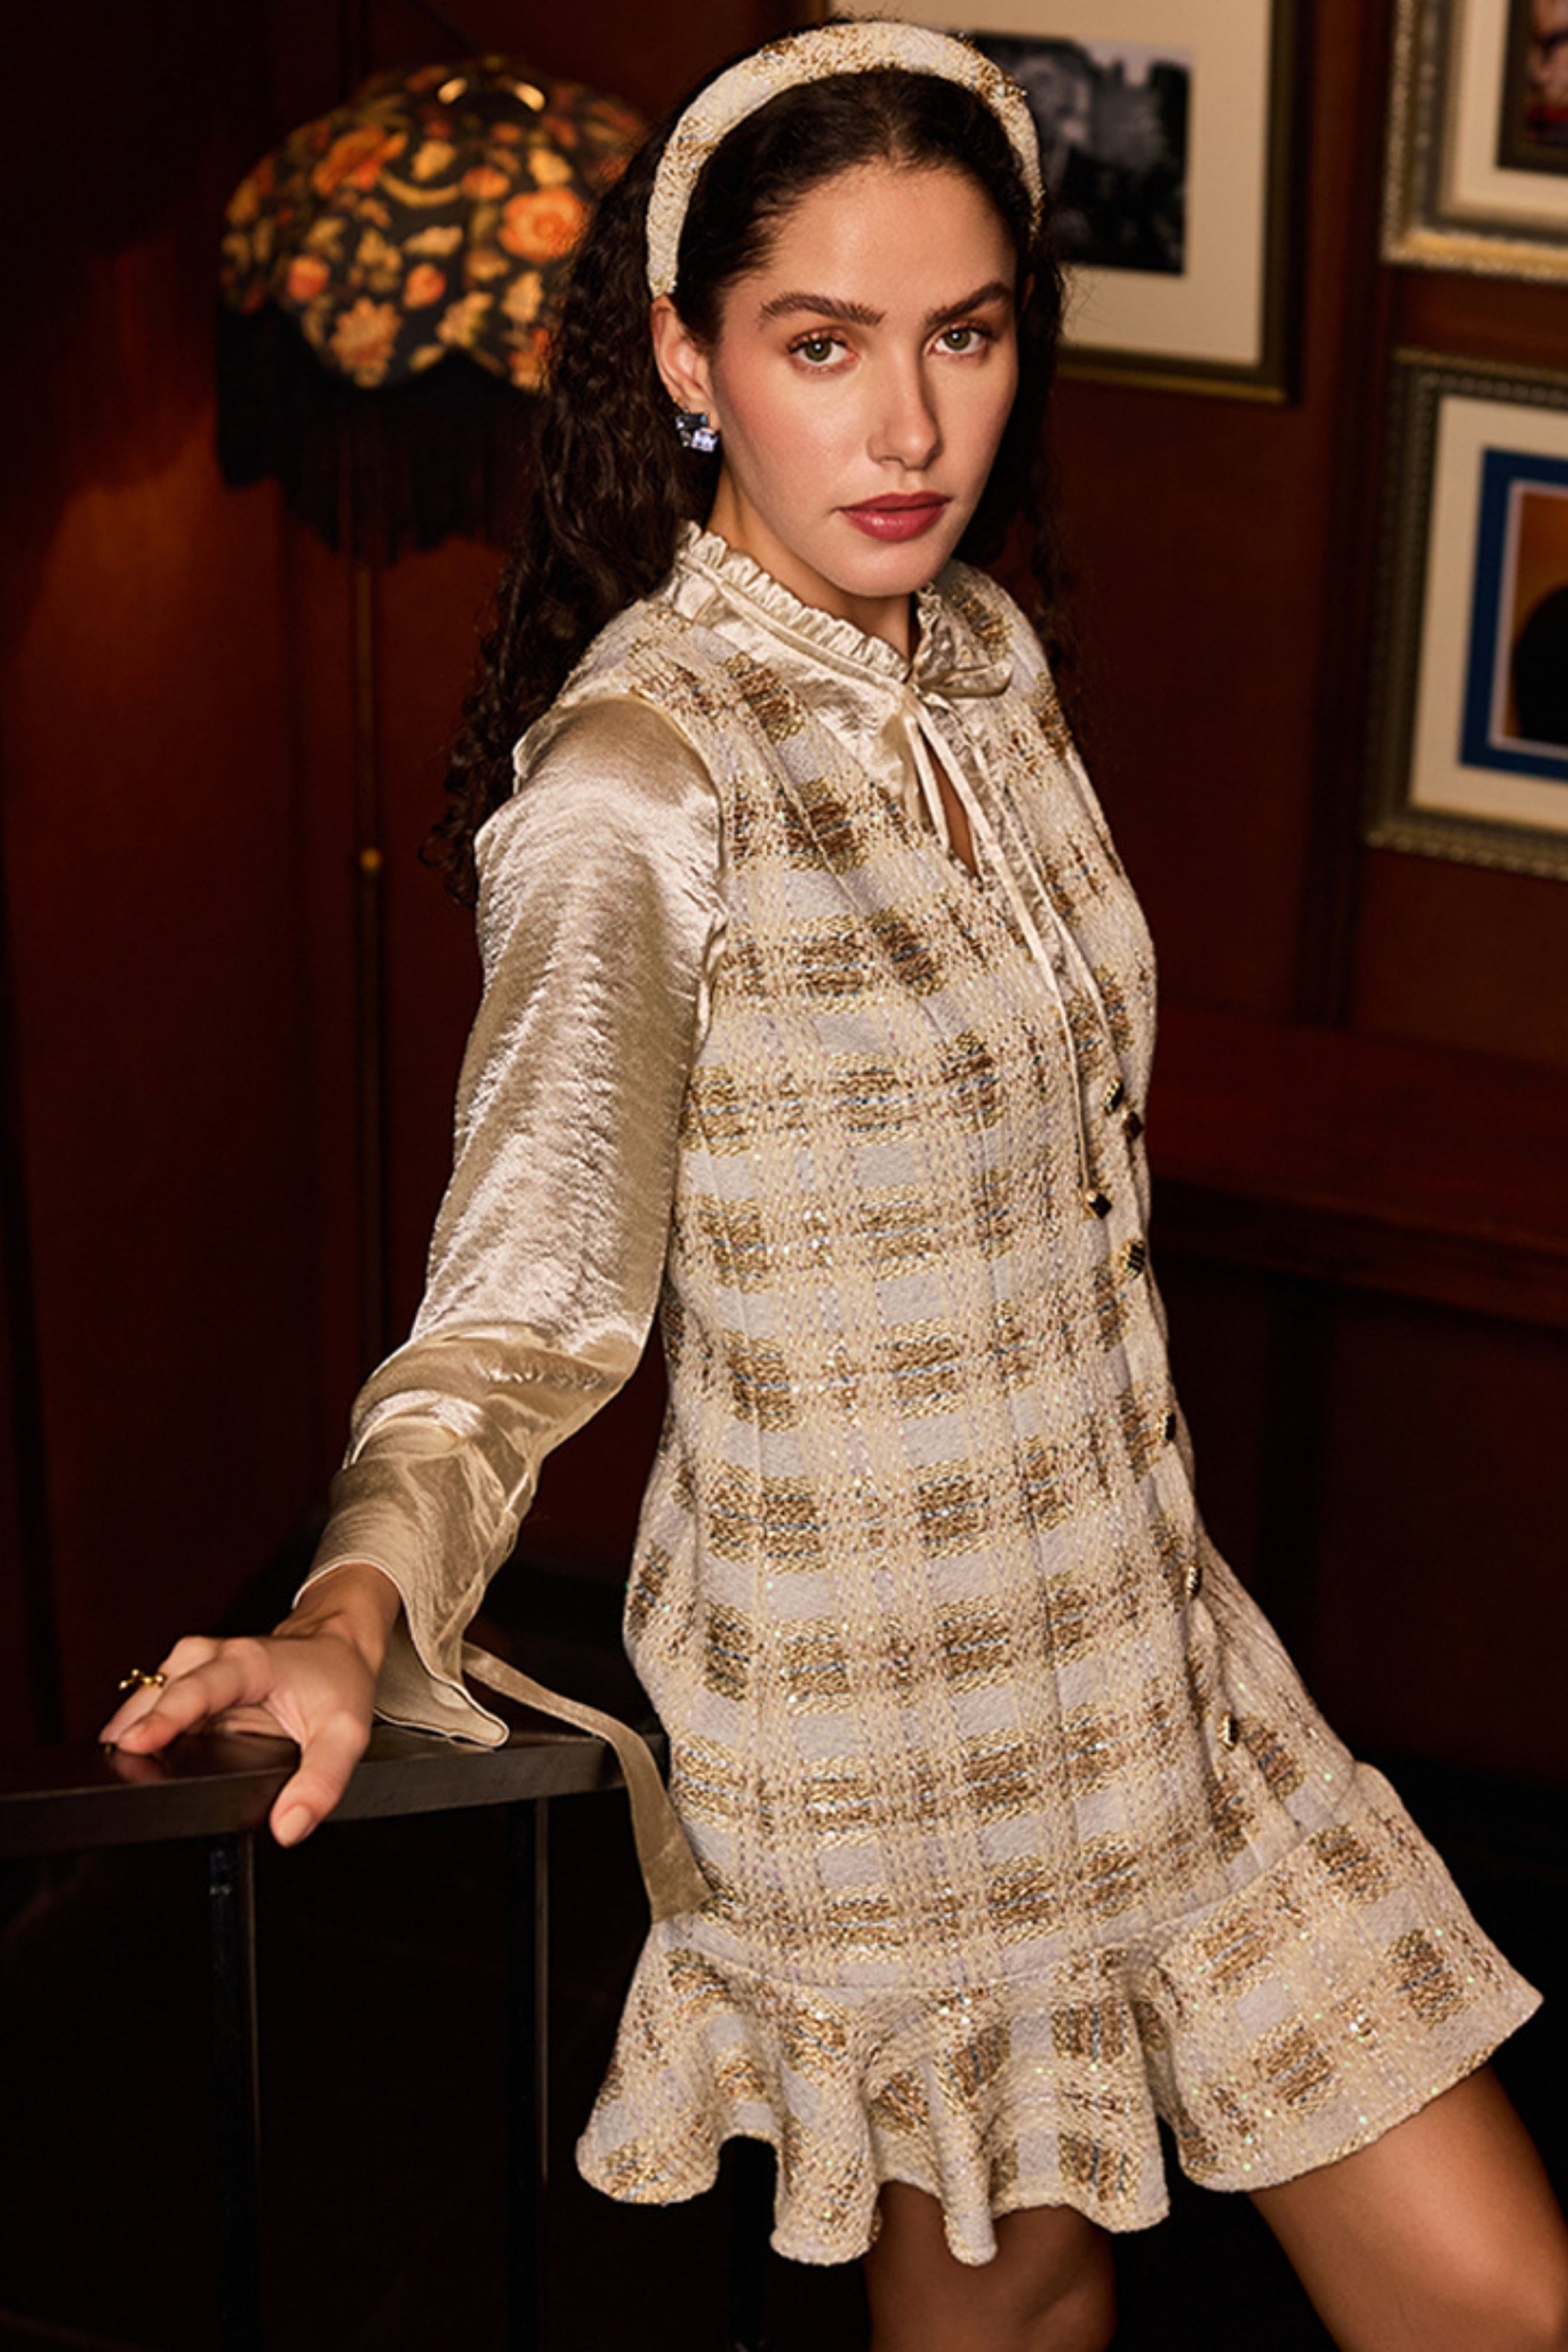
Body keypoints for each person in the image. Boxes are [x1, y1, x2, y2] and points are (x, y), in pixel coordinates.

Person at [100, 21, 1568, 2350]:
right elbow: (517, 1304)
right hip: (891, 1725)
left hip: (1156, 1641)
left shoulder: (984, 658)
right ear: (690, 358)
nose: (907, 429)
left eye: (963, 337)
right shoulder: (636, 784)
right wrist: (358, 1611)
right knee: (1018, 2304)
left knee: (1497, 2296)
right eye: (822, 345)